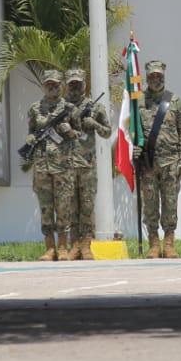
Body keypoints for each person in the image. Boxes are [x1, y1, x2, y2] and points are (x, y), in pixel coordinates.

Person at [133, 59, 181, 259]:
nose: (156, 79)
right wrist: (134, 150)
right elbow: (131, 130)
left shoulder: (175, 102)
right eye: (152, 76)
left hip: (170, 162)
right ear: (147, 77)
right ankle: (154, 244)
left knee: (170, 202)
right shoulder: (138, 102)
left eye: (159, 76)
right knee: (149, 203)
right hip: (147, 163)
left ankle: (169, 243)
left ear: (163, 76)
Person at [57, 69, 112, 261]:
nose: (74, 87)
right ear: (66, 84)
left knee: (87, 206)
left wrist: (94, 124)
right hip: (66, 165)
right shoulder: (60, 107)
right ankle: (74, 246)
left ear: (84, 84)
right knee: (71, 207)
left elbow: (107, 132)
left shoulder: (95, 107)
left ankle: (86, 246)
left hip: (87, 165)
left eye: (77, 83)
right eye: (71, 83)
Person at [26, 69, 71, 261]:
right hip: (42, 166)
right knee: (45, 208)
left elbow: (80, 135)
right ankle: (49, 247)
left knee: (62, 208)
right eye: (48, 84)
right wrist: (29, 137)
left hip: (62, 166)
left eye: (55, 84)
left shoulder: (69, 108)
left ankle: (62, 248)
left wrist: (69, 131)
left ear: (61, 85)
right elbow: (31, 131)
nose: (51, 87)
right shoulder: (35, 108)